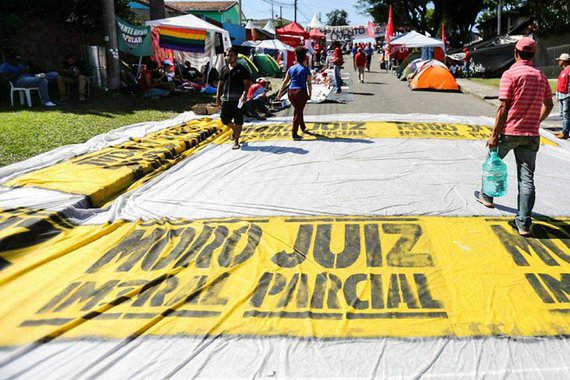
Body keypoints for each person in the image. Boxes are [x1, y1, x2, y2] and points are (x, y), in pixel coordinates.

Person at [475, 37, 553, 237]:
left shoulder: (510, 74)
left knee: (493, 162)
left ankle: (487, 196)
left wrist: (494, 134)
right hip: (530, 135)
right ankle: (524, 223)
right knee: (526, 179)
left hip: (509, 132)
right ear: (533, 55)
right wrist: (537, 121)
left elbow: (503, 107)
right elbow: (549, 105)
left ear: (515, 53)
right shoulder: (540, 76)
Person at [217, 47, 251, 150]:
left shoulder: (242, 69)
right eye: (227, 55)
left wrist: (244, 94)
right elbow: (220, 84)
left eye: (231, 55)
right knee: (224, 119)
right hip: (226, 99)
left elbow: (247, 84)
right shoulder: (224, 69)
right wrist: (218, 97)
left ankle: (236, 141)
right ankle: (235, 130)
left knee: (238, 121)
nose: (229, 57)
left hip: (238, 101)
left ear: (236, 56)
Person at [277, 46, 312, 140]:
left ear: (296, 57)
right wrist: (310, 94)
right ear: (305, 58)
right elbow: (309, 83)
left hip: (290, 92)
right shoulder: (306, 69)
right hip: (301, 92)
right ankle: (294, 132)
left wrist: (280, 93)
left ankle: (303, 127)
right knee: (298, 112)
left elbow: (285, 81)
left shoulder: (291, 68)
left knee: (298, 110)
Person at [554, 53, 570, 139]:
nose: (558, 62)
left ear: (563, 61)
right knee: (563, 114)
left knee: (566, 114)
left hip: (567, 95)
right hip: (562, 95)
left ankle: (565, 132)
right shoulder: (563, 70)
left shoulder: (569, 69)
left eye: (559, 60)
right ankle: (564, 130)